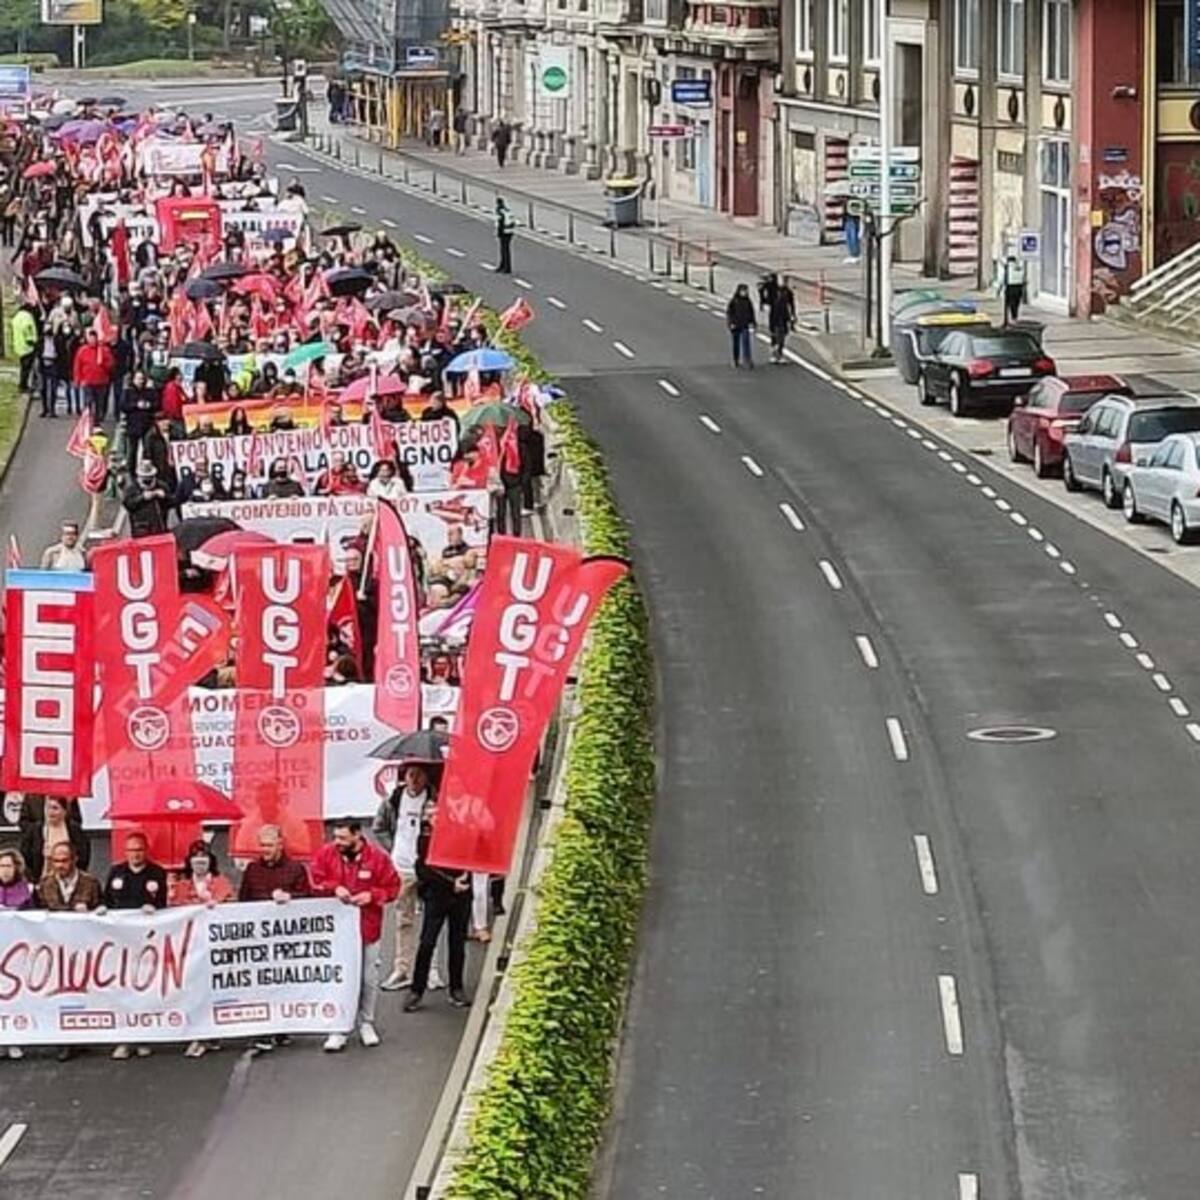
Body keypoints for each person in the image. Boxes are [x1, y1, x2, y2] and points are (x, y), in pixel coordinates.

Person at [310, 820, 400, 1051]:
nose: (337, 842)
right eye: (336, 837)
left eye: (342, 838)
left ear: (357, 835)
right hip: (335, 932)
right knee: (338, 978)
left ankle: (366, 1022)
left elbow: (393, 888)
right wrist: (333, 888)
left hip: (367, 927)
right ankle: (338, 1027)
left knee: (368, 978)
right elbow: (314, 880)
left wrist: (372, 896)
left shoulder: (378, 858)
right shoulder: (326, 854)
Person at [105, 831, 168, 1060]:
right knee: (121, 989)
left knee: (144, 988)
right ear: (126, 851)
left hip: (146, 942)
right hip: (120, 942)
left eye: (139, 850)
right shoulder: (116, 872)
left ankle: (144, 1038)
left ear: (145, 851)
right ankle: (123, 1039)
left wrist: (155, 909)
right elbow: (106, 901)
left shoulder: (157, 873)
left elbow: (163, 904)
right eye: (131, 850)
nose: (135, 854)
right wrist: (103, 912)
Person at [404, 807, 472, 1012]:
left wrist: (464, 879)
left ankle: (457, 988)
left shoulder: (461, 833)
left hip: (461, 896)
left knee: (457, 943)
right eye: (428, 815)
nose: (431, 819)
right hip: (437, 896)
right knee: (427, 942)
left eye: (435, 814)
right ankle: (417, 990)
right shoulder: (425, 838)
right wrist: (452, 883)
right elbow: (425, 868)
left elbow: (471, 856)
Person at [171, 839, 234, 1058]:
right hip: (188, 947)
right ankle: (195, 1032)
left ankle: (211, 1033)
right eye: (195, 859)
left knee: (212, 989)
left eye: (204, 859)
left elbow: (233, 908)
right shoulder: (180, 886)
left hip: (213, 947)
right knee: (191, 989)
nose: (200, 863)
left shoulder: (221, 882)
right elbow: (173, 912)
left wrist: (217, 904)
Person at [374, 766, 432, 991]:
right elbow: (379, 828)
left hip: (428, 868)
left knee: (432, 921)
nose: (415, 780)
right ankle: (402, 968)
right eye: (411, 775)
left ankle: (431, 971)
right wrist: (394, 849)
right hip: (403, 868)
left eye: (419, 774)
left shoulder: (435, 797)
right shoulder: (394, 800)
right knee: (403, 920)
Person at [20, 794, 90, 881]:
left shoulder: (74, 830)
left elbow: (83, 856)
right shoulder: (35, 830)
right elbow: (25, 857)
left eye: (55, 808)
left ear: (64, 811)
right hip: (41, 881)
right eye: (48, 808)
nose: (51, 812)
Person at [37, 841, 102, 912]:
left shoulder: (91, 883)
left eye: (64, 861)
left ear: (75, 859)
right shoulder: (45, 883)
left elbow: (99, 911)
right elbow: (40, 912)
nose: (60, 865)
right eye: (56, 861)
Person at [73, 326, 115, 422]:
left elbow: (111, 365)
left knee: (100, 403)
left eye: (93, 338)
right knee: (88, 402)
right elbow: (77, 366)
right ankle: (88, 420)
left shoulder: (104, 350)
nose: (92, 340)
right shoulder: (82, 351)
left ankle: (98, 420)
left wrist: (103, 362)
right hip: (88, 382)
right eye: (90, 338)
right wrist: (77, 380)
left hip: (101, 382)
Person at [123, 461, 171, 537]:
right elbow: (128, 504)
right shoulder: (132, 488)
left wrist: (165, 496)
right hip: (140, 529)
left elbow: (171, 502)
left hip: (159, 527)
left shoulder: (161, 486)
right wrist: (142, 498)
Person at [726, 283, 756, 369]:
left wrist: (753, 323)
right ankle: (736, 360)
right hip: (736, 325)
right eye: (743, 290)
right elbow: (729, 313)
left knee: (746, 342)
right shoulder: (734, 301)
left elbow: (751, 313)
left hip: (745, 324)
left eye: (745, 291)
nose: (744, 292)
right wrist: (731, 323)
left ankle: (747, 360)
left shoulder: (748, 301)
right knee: (736, 343)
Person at [768, 279, 796, 364]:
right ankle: (775, 354)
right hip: (776, 319)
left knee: (782, 337)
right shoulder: (774, 293)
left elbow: (792, 305)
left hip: (784, 318)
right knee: (777, 337)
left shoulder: (788, 293)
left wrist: (792, 316)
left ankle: (777, 354)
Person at [12, 301, 38, 394]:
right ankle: (23, 386)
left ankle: (23, 385)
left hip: (19, 346)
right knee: (26, 369)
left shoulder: (16, 317)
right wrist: (33, 342)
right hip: (28, 347)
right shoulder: (27, 317)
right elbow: (27, 329)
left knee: (23, 367)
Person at [998, 248, 1027, 325]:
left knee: (1009, 303)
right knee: (1016, 303)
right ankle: (1014, 317)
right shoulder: (1019, 268)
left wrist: (999, 289)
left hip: (1010, 287)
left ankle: (1008, 319)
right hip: (1018, 287)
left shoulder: (1007, 268)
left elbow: (1002, 279)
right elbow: (1024, 279)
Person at [495, 198, 515, 274]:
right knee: (506, 250)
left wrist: (498, 233)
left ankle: (505, 267)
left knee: (504, 250)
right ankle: (505, 266)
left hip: (504, 232)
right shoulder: (507, 210)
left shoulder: (500, 211)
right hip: (510, 232)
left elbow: (500, 223)